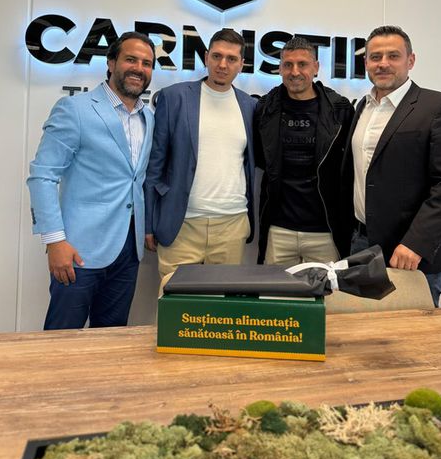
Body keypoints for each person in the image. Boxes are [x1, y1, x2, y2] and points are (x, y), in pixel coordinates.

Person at [26, 31, 156, 330]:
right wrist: (54, 241)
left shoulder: (148, 117)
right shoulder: (75, 109)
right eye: (131, 59)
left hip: (128, 251)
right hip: (78, 250)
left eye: (147, 63)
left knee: (111, 339)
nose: (139, 68)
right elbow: (42, 176)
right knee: (61, 339)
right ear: (111, 63)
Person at [341, 25, 441, 307]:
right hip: (362, 244)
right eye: (375, 57)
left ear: (410, 60)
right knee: (363, 327)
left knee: (415, 332)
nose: (383, 63)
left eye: (393, 56)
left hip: (411, 252)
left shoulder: (439, 107)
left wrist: (415, 243)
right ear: (366, 63)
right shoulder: (362, 107)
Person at [145, 29, 257, 278]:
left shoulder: (250, 106)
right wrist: (148, 222)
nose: (222, 65)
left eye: (231, 59)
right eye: (217, 56)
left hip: (232, 224)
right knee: (174, 300)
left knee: (224, 302)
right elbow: (155, 165)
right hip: (181, 224)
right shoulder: (174, 97)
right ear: (206, 57)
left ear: (241, 64)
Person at [253, 36, 355, 266]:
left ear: (316, 67)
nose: (295, 71)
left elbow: (348, 167)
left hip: (325, 232)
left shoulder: (340, 110)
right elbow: (261, 159)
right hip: (279, 230)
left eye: (303, 64)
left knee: (327, 291)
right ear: (280, 68)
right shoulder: (265, 109)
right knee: (275, 290)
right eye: (288, 64)